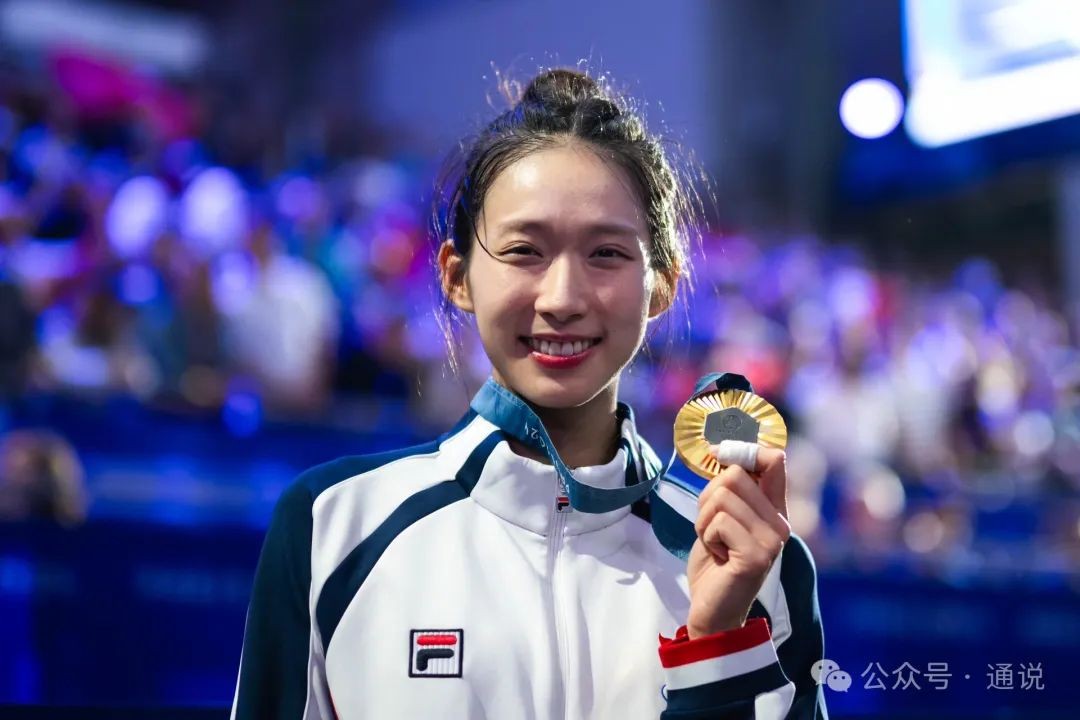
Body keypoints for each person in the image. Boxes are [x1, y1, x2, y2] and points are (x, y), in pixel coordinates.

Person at [231, 68, 826, 719]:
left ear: (662, 284)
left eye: (606, 254)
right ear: (457, 277)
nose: (562, 298)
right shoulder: (332, 525)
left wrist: (715, 645)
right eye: (524, 251)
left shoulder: (757, 564)